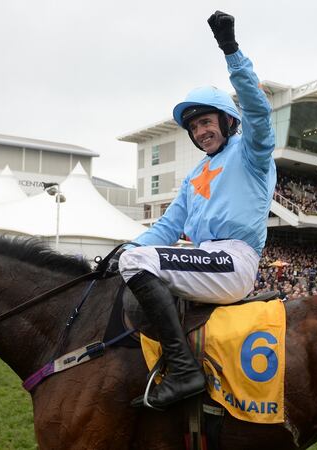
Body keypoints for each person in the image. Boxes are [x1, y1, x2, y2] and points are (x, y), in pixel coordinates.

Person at [117, 11, 275, 410]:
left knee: (137, 263)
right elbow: (168, 226)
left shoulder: (252, 152)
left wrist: (231, 51)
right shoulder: (194, 175)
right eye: (194, 128)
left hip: (233, 259)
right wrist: (125, 249)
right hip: (204, 258)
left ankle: (185, 372)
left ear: (226, 120)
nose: (201, 131)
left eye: (206, 121)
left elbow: (258, 111)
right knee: (131, 260)